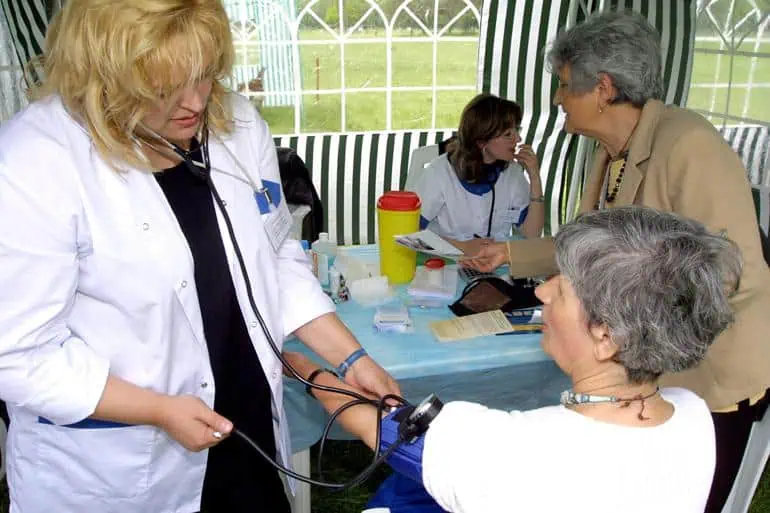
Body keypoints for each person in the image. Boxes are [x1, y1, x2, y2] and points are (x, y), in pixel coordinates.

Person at [0, 1, 399, 512]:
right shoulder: (35, 161)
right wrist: (158, 411)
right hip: (121, 463)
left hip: (245, 426)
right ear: (104, 76)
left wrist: (352, 357)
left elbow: (275, 256)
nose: (194, 102)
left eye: (205, 74)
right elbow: (18, 354)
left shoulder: (236, 126)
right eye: (162, 87)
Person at [464, 12, 770, 511]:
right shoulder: (611, 152)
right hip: (653, 366)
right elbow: (597, 250)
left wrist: (628, 316)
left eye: (565, 85)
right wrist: (510, 254)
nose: (558, 99)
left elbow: (728, 270)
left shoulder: (690, 145)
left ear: (603, 88)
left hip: (711, 374)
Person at [284, 206, 741, 513]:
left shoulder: (518, 453)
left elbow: (379, 427)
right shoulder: (691, 412)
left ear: (606, 337)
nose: (540, 291)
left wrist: (308, 369)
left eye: (560, 289)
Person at [408, 94, 544, 254]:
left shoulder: (512, 173)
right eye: (508, 134)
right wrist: (463, 247)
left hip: (496, 266)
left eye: (517, 130)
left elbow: (532, 233)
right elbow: (411, 236)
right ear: (481, 142)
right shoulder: (440, 172)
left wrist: (535, 177)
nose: (518, 138)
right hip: (445, 267)